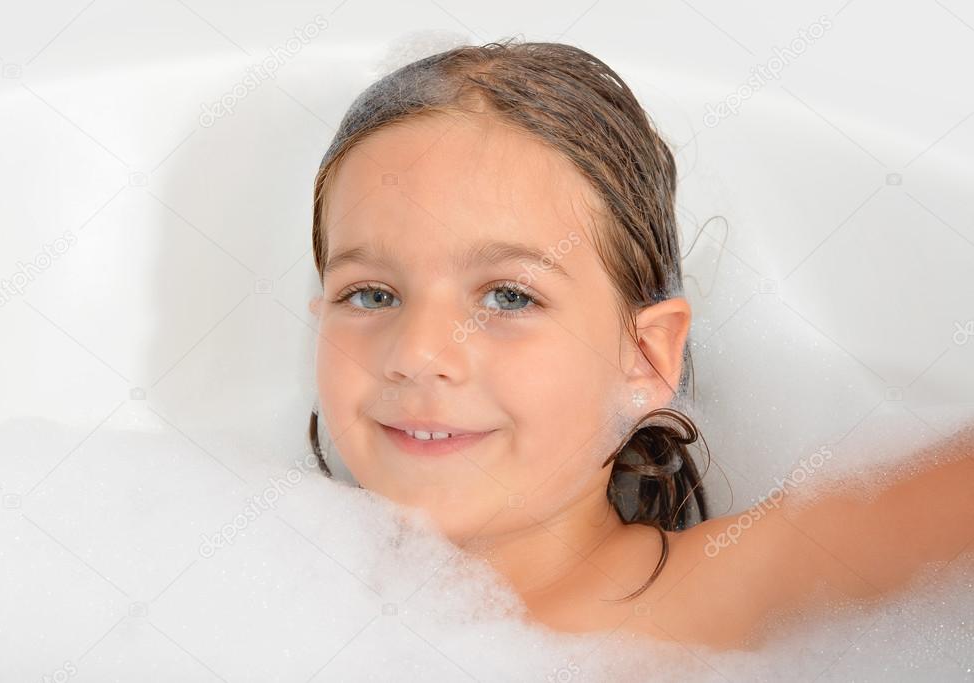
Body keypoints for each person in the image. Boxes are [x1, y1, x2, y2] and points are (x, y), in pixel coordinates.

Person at [304, 38, 974, 650]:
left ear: (645, 356)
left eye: (509, 296)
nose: (419, 352)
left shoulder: (707, 597)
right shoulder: (279, 567)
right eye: (370, 294)